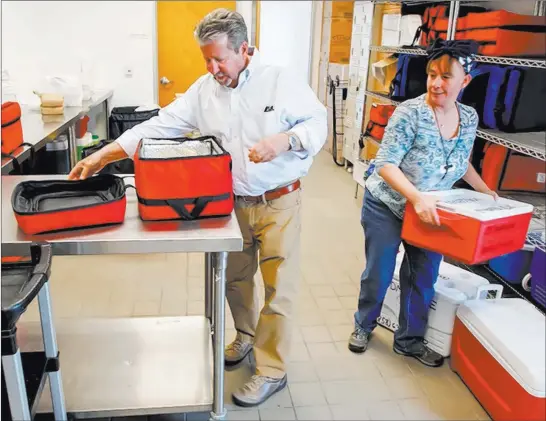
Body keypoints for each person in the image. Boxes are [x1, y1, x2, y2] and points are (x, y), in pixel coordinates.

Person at [68, 9, 327, 406]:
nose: (212, 67)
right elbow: (158, 125)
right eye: (206, 59)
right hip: (231, 204)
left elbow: (317, 121)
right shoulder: (204, 91)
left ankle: (273, 370)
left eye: (219, 58)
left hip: (280, 200)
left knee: (281, 289)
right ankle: (244, 336)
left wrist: (286, 140)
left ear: (244, 49)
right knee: (236, 280)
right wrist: (104, 155)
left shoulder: (280, 81)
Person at [348, 39, 498, 367]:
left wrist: (485, 189)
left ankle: (409, 340)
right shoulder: (411, 113)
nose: (436, 82)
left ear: (465, 81)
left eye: (446, 76)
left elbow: (461, 161)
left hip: (431, 210)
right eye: (432, 74)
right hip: (388, 204)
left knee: (423, 275)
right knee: (380, 270)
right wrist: (415, 198)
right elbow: (385, 163)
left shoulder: (469, 118)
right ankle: (364, 324)